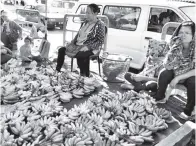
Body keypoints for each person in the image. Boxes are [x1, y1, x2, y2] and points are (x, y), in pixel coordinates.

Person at [153, 21, 195, 120]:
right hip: (175, 71)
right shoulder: (175, 44)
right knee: (164, 73)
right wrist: (172, 53)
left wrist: (177, 78)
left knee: (194, 82)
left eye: (187, 33)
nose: (183, 35)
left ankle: (188, 111)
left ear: (194, 35)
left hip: (189, 75)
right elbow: (167, 66)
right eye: (181, 32)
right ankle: (160, 97)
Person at [56, 3, 105, 77]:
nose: (86, 15)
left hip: (92, 47)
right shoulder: (85, 22)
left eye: (89, 13)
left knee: (81, 55)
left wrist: (88, 47)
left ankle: (84, 76)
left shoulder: (100, 24)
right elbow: (78, 34)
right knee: (61, 50)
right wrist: (72, 43)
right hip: (78, 46)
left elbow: (100, 41)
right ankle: (57, 70)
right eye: (86, 12)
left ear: (95, 13)